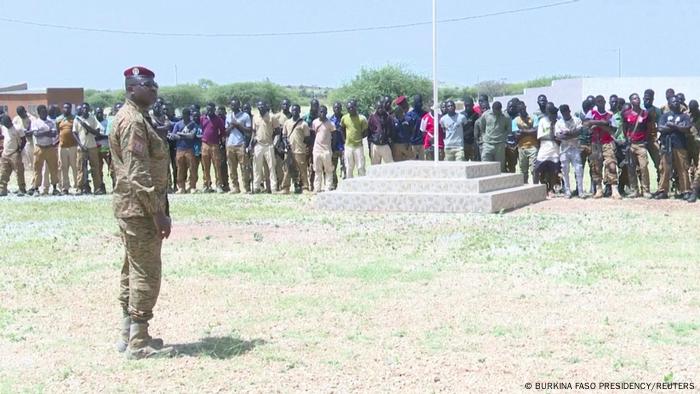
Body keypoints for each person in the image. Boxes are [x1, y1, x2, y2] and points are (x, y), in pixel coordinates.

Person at [111, 66, 172, 359]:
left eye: (155, 84)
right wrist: (157, 212)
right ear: (132, 88)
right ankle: (138, 341)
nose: (154, 89)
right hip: (140, 210)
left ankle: (129, 333)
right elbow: (138, 172)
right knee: (146, 271)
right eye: (148, 84)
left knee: (132, 269)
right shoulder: (133, 121)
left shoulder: (138, 119)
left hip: (131, 207)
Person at [585, 95, 621, 199]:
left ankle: (614, 189)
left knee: (612, 165)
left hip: (607, 142)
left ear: (605, 102)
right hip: (595, 142)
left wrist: (596, 123)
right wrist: (602, 123)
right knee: (596, 166)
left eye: (602, 101)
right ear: (596, 103)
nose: (600, 103)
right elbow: (586, 124)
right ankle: (599, 189)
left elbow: (613, 130)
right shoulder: (591, 113)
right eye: (598, 101)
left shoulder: (610, 114)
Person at [656, 95, 691, 200]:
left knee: (683, 168)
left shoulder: (684, 116)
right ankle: (663, 191)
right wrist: (676, 127)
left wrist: (673, 126)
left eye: (677, 101)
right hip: (667, 146)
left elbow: (687, 128)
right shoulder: (665, 116)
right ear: (669, 104)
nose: (676, 103)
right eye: (673, 102)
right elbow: (660, 128)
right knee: (665, 169)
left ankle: (685, 191)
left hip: (680, 145)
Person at [622, 93, 652, 198]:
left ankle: (646, 190)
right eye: (634, 98)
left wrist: (645, 140)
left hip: (641, 145)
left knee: (644, 167)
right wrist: (627, 139)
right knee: (631, 168)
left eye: (638, 98)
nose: (637, 99)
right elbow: (625, 128)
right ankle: (634, 190)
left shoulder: (645, 113)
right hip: (631, 145)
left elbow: (648, 128)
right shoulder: (626, 114)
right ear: (631, 101)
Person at [73, 103, 104, 195]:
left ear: (89, 109)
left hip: (92, 147)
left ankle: (97, 188)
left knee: (95, 168)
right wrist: (81, 145)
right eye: (83, 108)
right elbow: (74, 133)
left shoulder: (93, 119)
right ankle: (79, 188)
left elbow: (97, 132)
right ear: (81, 109)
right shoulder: (77, 120)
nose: (85, 110)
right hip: (81, 148)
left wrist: (87, 127)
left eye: (87, 108)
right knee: (81, 168)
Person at [28, 105, 59, 196]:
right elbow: (36, 134)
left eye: (45, 112)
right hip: (39, 148)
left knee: (53, 168)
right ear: (39, 113)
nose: (45, 113)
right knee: (37, 169)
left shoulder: (51, 122)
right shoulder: (35, 122)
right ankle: (36, 188)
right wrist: (47, 132)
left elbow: (53, 134)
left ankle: (54, 188)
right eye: (42, 112)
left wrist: (43, 132)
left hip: (50, 147)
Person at [554, 104, 584, 198]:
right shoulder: (559, 123)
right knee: (565, 171)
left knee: (579, 170)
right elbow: (558, 137)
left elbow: (579, 132)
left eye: (566, 111)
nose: (565, 113)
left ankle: (580, 191)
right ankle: (567, 191)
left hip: (575, 148)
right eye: (563, 112)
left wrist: (568, 133)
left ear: (569, 111)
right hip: (564, 149)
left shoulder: (576, 120)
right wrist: (572, 134)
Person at [280, 104, 310, 194]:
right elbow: (284, 136)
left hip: (300, 150)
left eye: (296, 110)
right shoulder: (287, 123)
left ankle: (305, 188)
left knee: (302, 170)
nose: (295, 112)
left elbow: (307, 138)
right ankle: (285, 188)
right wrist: (286, 144)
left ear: (299, 111)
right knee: (287, 170)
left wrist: (303, 146)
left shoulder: (304, 124)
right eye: (293, 110)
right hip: (289, 151)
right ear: (291, 111)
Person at [251, 101, 280, 193]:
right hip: (258, 145)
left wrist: (274, 144)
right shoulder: (255, 117)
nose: (260, 108)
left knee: (271, 168)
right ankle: (256, 187)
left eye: (262, 106)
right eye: (259, 106)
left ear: (265, 106)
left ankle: (274, 188)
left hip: (269, 145)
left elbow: (278, 132)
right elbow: (254, 131)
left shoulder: (272, 117)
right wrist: (251, 143)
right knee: (257, 167)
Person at [225, 99, 252, 194]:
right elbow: (226, 132)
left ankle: (246, 187)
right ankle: (235, 187)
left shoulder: (245, 116)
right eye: (232, 105)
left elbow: (249, 130)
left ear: (239, 105)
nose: (233, 107)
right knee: (232, 168)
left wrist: (238, 125)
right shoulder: (228, 116)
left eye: (235, 105)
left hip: (241, 144)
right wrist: (232, 126)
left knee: (244, 167)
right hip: (230, 145)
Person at [170, 108, 201, 193]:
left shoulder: (193, 125)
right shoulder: (178, 124)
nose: (186, 117)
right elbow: (173, 136)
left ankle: (192, 186)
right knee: (180, 169)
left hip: (190, 149)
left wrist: (180, 134)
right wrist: (183, 135)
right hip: (180, 149)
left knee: (192, 168)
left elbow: (191, 136)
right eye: (185, 115)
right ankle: (181, 187)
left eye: (188, 115)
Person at [475, 101, 510, 171]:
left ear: (500, 109)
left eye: (498, 110)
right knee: (485, 165)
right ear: (492, 108)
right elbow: (482, 126)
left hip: (499, 145)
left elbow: (508, 130)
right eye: (495, 110)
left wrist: (502, 138)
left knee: (500, 168)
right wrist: (484, 136)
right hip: (487, 144)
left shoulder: (506, 117)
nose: (496, 112)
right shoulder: (486, 115)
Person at [536, 103, 560, 197]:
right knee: (538, 168)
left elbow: (559, 136)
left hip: (555, 148)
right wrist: (551, 134)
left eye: (555, 114)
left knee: (553, 170)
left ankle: (551, 189)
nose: (554, 115)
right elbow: (540, 136)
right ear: (548, 113)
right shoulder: (543, 121)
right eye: (552, 113)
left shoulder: (558, 122)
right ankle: (540, 187)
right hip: (544, 147)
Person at [200, 103, 226, 193]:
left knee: (217, 165)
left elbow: (223, 131)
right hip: (205, 144)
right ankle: (206, 185)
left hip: (215, 145)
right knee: (205, 166)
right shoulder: (203, 118)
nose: (209, 111)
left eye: (211, 109)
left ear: (214, 109)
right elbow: (201, 129)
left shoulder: (218, 119)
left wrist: (218, 139)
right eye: (208, 109)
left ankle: (219, 185)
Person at [340, 100, 368, 178]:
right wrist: (345, 140)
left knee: (360, 167)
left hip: (358, 146)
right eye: (348, 108)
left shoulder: (362, 118)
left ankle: (362, 184)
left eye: (352, 107)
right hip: (348, 146)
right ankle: (350, 184)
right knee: (349, 167)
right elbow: (342, 129)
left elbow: (365, 131)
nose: (350, 109)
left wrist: (359, 138)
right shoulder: (344, 118)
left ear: (356, 107)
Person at [0, 114, 27, 196]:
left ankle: (22, 189)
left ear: (10, 121)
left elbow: (24, 140)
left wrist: (19, 150)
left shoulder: (18, 128)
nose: (6, 124)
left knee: (19, 172)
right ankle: (2, 189)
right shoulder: (4, 128)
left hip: (14, 153)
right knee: (3, 173)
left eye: (7, 123)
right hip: (5, 154)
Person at [311, 105, 336, 192]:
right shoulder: (315, 122)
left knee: (328, 170)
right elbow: (315, 134)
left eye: (324, 112)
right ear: (318, 112)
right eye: (320, 112)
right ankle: (317, 188)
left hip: (326, 151)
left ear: (326, 113)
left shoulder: (331, 124)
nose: (322, 113)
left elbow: (334, 137)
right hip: (317, 150)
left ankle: (328, 187)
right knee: (317, 170)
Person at [56, 103, 79, 195]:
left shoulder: (75, 119)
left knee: (75, 167)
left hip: (73, 146)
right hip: (62, 147)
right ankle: (65, 187)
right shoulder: (59, 119)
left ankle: (77, 186)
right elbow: (58, 132)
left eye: (68, 108)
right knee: (63, 167)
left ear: (70, 109)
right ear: (63, 109)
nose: (66, 109)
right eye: (65, 108)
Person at [515, 102, 538, 183]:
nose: (522, 111)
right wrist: (529, 130)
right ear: (517, 111)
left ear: (526, 107)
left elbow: (536, 132)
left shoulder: (533, 117)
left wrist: (523, 131)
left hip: (533, 146)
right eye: (520, 110)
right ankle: (524, 187)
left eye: (523, 109)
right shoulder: (515, 120)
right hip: (521, 147)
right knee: (523, 170)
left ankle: (535, 186)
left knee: (534, 169)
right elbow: (516, 135)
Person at [367, 98, 394, 165]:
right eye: (378, 108)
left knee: (390, 165)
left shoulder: (388, 117)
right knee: (375, 167)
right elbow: (369, 132)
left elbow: (391, 130)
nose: (380, 109)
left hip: (385, 145)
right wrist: (370, 147)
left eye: (381, 107)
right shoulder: (372, 117)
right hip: (375, 145)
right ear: (376, 108)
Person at [643, 89, 663, 178]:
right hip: (640, 140)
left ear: (652, 99)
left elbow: (660, 125)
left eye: (649, 99)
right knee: (640, 165)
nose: (646, 100)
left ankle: (661, 183)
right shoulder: (639, 110)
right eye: (645, 98)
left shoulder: (657, 111)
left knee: (659, 161)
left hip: (652, 139)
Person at [13, 106, 33, 190]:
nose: (21, 116)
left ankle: (33, 185)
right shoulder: (16, 119)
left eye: (22, 114)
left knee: (32, 165)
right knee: (19, 166)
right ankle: (21, 186)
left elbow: (32, 131)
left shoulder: (31, 118)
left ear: (25, 111)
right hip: (19, 145)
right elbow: (13, 131)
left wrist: (24, 133)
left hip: (29, 144)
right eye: (19, 114)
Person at [391, 96, 413, 161]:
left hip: (407, 144)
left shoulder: (408, 118)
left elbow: (411, 131)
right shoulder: (393, 120)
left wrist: (409, 143)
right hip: (397, 144)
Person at [329, 102, 345, 189]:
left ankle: (345, 185)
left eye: (338, 108)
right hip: (333, 147)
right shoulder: (330, 120)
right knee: (333, 168)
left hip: (344, 147)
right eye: (335, 108)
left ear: (341, 108)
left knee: (345, 167)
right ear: (333, 108)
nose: (337, 109)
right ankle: (334, 185)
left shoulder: (345, 118)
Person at [406, 95, 426, 160]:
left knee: (423, 163)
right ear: (414, 103)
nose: (419, 104)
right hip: (412, 143)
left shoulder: (425, 114)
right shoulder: (409, 115)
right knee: (412, 163)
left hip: (423, 143)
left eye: (420, 102)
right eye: (417, 102)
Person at [461, 97, 480, 161]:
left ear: (473, 105)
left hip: (473, 142)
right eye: (466, 105)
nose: (468, 107)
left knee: (475, 162)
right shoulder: (461, 116)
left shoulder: (476, 115)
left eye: (469, 105)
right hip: (464, 142)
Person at [504, 98, 520, 173]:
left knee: (512, 165)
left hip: (515, 145)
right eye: (509, 106)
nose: (511, 108)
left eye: (513, 107)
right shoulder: (502, 116)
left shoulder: (519, 117)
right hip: (504, 145)